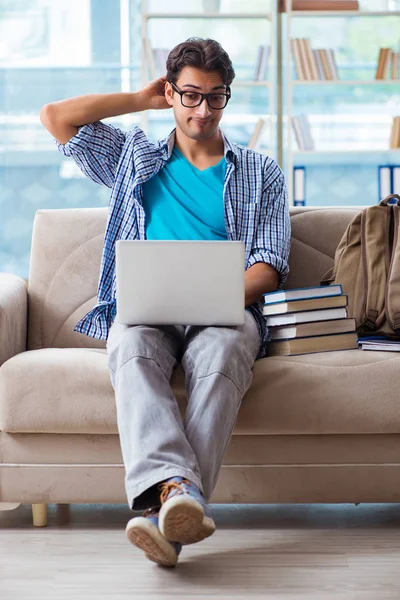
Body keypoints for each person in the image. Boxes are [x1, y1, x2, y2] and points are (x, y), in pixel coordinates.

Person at [40, 37, 291, 568]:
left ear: (229, 97)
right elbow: (56, 118)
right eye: (191, 95)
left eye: (215, 97)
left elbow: (268, 265)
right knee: (128, 349)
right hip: (146, 310)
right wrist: (138, 98)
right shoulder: (134, 157)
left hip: (226, 309)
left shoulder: (260, 171)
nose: (203, 110)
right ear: (171, 92)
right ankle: (180, 496)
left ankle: (168, 510)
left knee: (222, 356)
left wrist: (209, 296)